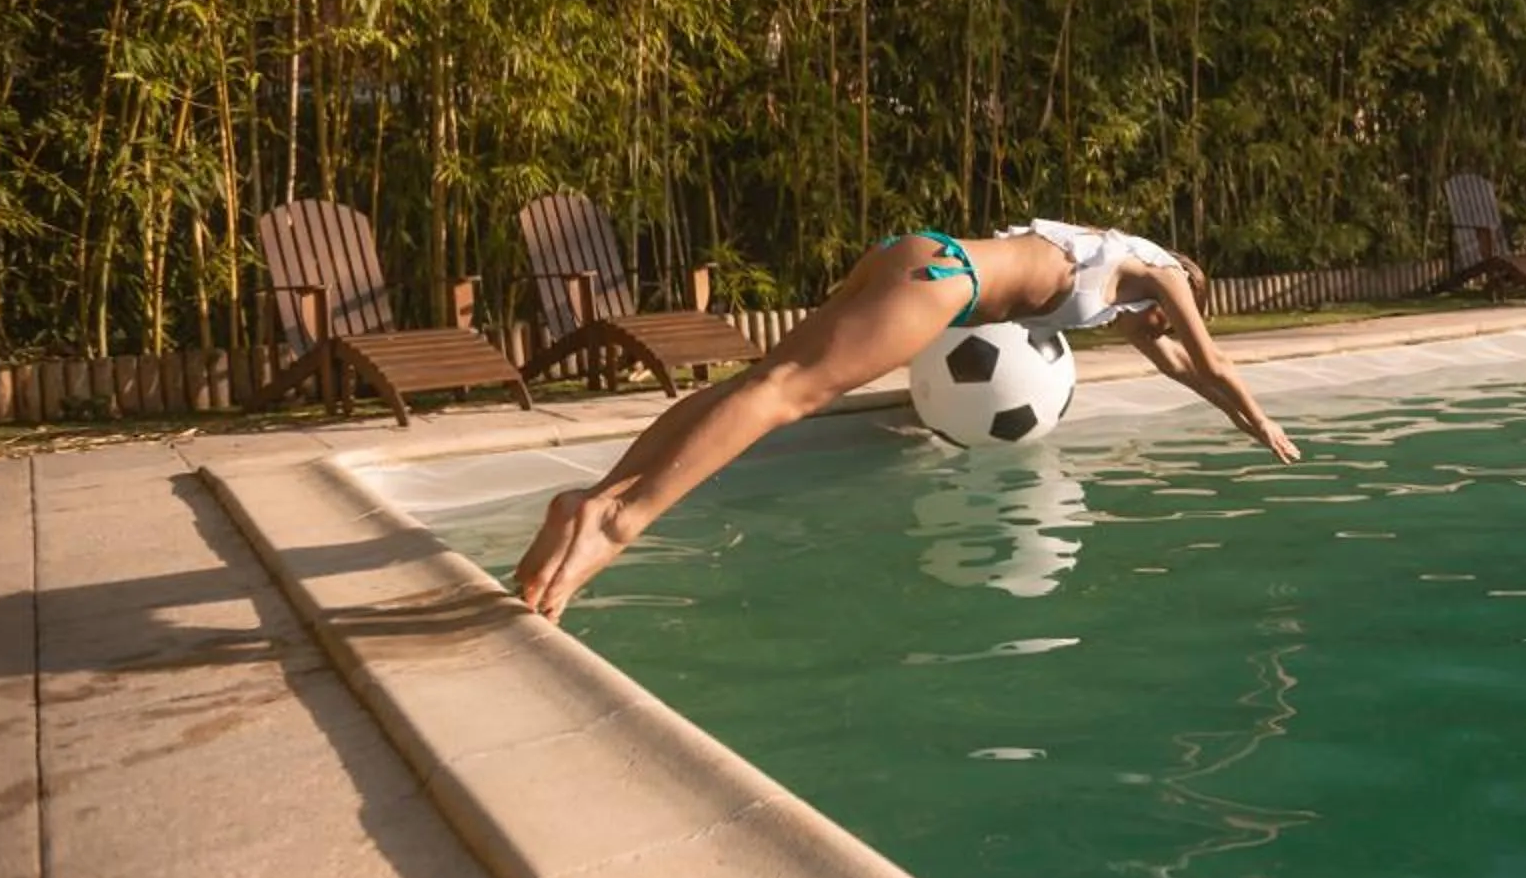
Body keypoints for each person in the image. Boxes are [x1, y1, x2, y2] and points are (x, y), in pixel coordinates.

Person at [512, 220, 1299, 618]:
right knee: (788, 396)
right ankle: (618, 524)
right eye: (1164, 317)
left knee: (761, 381)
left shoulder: (1112, 259)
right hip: (945, 282)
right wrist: (1261, 422)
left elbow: (1178, 368)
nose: (1158, 329)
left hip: (919, 250)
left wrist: (1230, 415)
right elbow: (1211, 360)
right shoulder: (1161, 273)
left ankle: (596, 498)